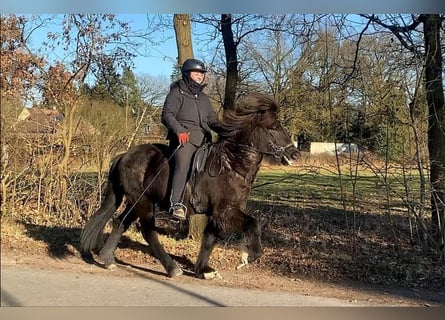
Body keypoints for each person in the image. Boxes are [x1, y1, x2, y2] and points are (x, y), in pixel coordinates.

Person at [161, 58, 226, 221]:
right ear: (187, 74)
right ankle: (176, 204)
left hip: (204, 140)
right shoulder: (177, 93)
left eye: (202, 73)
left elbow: (212, 121)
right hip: (185, 139)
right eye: (197, 73)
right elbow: (167, 115)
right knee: (183, 166)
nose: (200, 76)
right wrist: (179, 130)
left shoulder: (203, 98)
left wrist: (228, 130)